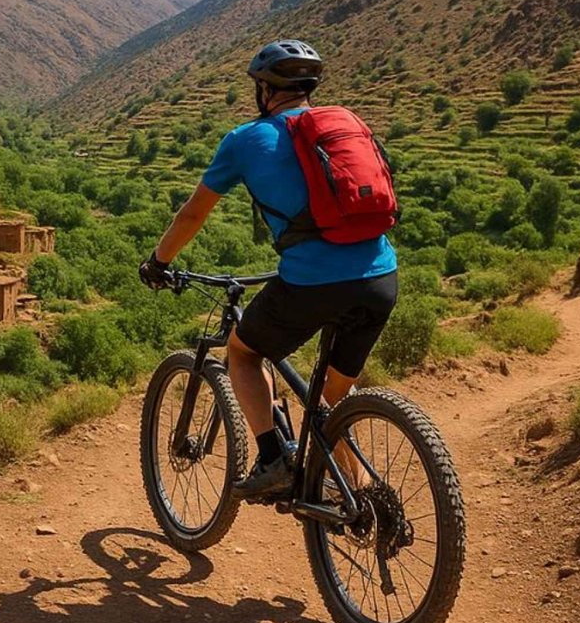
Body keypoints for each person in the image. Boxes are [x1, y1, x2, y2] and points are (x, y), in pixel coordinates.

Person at [139, 40, 398, 500]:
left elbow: (192, 215)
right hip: (380, 278)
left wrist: (159, 262)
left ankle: (272, 457)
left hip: (313, 281)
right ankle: (359, 500)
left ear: (265, 90)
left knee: (243, 352)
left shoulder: (244, 140)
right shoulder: (345, 126)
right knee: (330, 402)